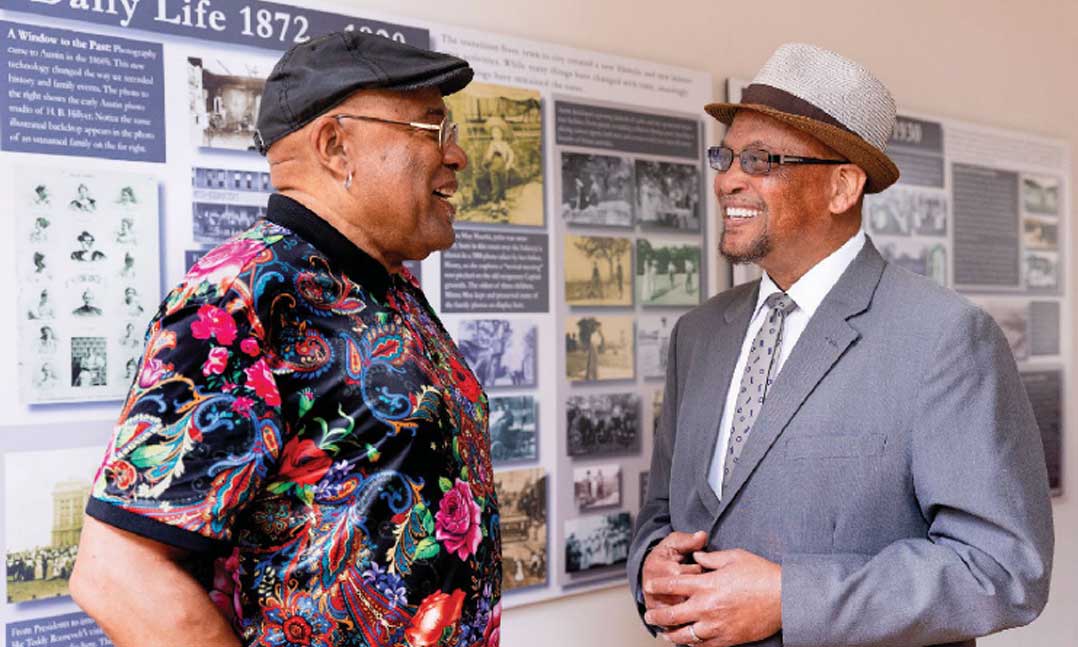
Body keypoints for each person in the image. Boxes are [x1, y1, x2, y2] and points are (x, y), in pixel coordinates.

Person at [71, 32, 501, 647]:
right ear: (335, 146)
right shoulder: (240, 292)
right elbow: (117, 573)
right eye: (434, 130)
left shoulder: (391, 288)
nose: (456, 156)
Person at [629, 43, 1052, 647]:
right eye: (726, 155)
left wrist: (788, 598)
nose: (727, 180)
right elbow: (663, 513)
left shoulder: (946, 337)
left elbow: (1002, 568)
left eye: (759, 159)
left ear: (842, 188)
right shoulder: (697, 335)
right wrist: (650, 566)